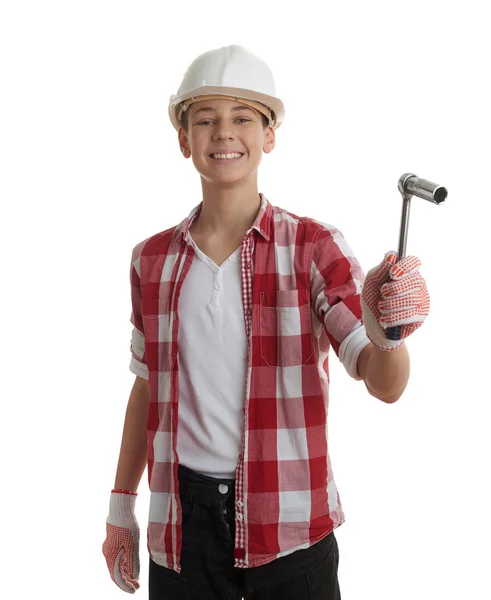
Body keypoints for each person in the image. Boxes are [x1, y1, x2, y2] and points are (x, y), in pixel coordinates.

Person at [102, 44, 430, 599]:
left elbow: (383, 382)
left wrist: (388, 331)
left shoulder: (314, 248)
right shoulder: (150, 261)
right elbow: (146, 388)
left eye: (243, 118)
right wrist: (119, 508)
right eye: (205, 119)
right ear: (184, 140)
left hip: (290, 531)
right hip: (183, 532)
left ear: (269, 135)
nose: (223, 133)